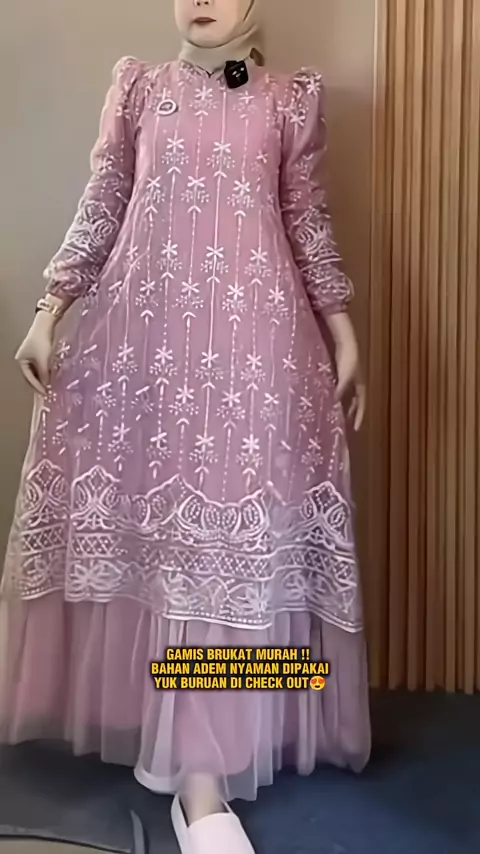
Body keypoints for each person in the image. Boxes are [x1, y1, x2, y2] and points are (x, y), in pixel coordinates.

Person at [0, 0, 371, 850]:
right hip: (146, 350)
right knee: (163, 552)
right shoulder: (139, 89)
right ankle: (171, 755)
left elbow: (305, 219)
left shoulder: (289, 101)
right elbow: (105, 199)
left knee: (224, 563)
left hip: (254, 357)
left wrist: (343, 328)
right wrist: (50, 310)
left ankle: (201, 785)